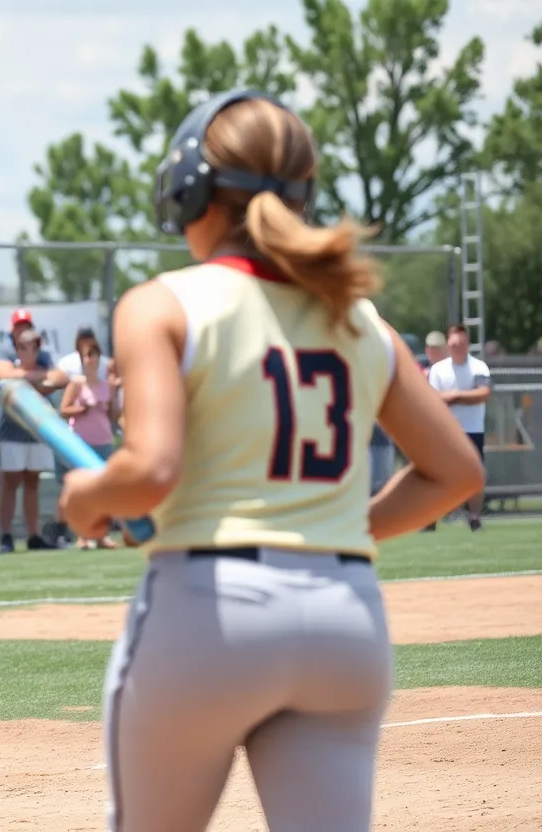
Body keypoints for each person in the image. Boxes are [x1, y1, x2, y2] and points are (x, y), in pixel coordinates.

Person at [57, 89, 484, 832]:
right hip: (343, 618)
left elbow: (151, 469)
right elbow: (457, 474)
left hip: (209, 615)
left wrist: (88, 495)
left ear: (190, 190)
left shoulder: (162, 303)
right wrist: (343, 528)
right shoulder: (361, 320)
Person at [0, 313, 67, 552]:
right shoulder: (3, 350)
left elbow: (59, 377)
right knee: (10, 482)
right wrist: (36, 377)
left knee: (32, 482)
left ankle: (33, 534)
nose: (24, 333)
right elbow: (4, 375)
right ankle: (6, 535)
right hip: (11, 428)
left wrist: (27, 377)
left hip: (37, 427)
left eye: (27, 327)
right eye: (19, 327)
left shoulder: (43, 354)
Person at [58, 329, 119, 550]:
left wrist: (112, 395)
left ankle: (102, 534)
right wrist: (82, 409)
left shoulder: (105, 385)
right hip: (81, 441)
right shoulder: (76, 384)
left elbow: (114, 415)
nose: (91, 358)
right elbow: (63, 410)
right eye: (87, 354)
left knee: (103, 490)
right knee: (83, 490)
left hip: (103, 439)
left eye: (95, 353)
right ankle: (83, 535)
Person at [427, 324, 491, 531]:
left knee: (475, 476)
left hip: (473, 430)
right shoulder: (439, 369)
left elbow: (482, 393)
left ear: (467, 344)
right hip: (446, 431)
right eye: (454, 343)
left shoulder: (479, 367)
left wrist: (454, 396)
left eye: (461, 343)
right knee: (437, 475)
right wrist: (461, 397)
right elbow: (434, 399)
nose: (457, 347)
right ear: (448, 344)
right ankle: (430, 517)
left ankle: (474, 517)